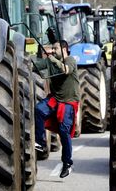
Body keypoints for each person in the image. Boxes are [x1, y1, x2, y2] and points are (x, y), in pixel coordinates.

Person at [34, 40, 79, 178]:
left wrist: (51, 58)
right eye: (52, 48)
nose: (53, 50)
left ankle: (67, 164)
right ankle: (41, 143)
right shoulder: (50, 61)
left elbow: (65, 70)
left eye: (56, 48)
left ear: (64, 49)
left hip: (68, 102)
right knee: (39, 110)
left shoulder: (70, 60)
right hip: (55, 99)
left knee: (64, 132)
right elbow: (35, 65)